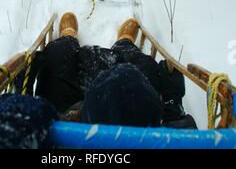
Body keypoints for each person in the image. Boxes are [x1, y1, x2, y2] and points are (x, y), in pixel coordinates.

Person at [20, 12, 197, 129]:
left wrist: (21, 92)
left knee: (55, 56)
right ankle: (125, 43)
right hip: (137, 127)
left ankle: (68, 37)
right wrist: (173, 108)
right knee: (145, 67)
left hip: (69, 122)